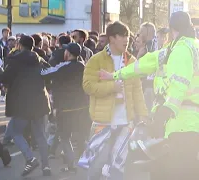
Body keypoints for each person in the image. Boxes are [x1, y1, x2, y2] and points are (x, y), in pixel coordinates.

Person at [99, 12, 199, 180]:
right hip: (186, 122)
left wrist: (167, 110)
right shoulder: (179, 48)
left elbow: (179, 82)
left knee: (179, 171)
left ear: (173, 28)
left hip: (181, 122)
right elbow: (143, 65)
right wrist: (115, 75)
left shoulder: (180, 49)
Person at [83, 21, 148, 179]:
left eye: (128, 36)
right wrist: (111, 87)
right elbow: (88, 86)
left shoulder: (132, 61)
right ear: (112, 38)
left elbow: (137, 91)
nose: (127, 40)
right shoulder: (96, 60)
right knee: (96, 164)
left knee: (118, 166)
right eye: (123, 36)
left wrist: (144, 115)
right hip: (102, 121)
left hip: (126, 122)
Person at [2, 35, 51, 177]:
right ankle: (46, 167)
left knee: (15, 132)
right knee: (41, 135)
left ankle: (30, 158)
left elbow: (5, 78)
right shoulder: (39, 59)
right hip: (40, 100)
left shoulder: (14, 60)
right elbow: (49, 74)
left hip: (21, 102)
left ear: (20, 45)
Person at [41, 43, 90, 173]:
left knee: (64, 137)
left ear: (67, 53)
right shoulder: (83, 66)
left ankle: (71, 164)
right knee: (81, 136)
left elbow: (45, 73)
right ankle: (88, 160)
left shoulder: (63, 67)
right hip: (82, 107)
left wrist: (40, 62)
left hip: (65, 108)